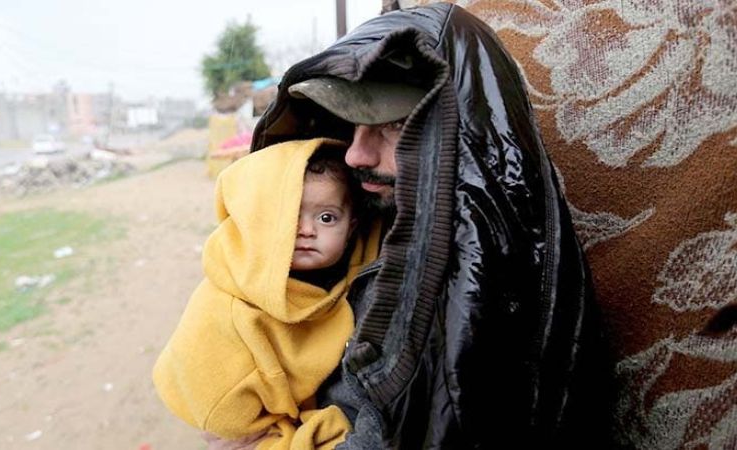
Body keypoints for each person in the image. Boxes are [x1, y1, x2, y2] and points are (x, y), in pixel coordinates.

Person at [248, 3, 614, 449]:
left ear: (456, 134)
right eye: (355, 125)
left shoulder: (473, 291)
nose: (354, 155)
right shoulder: (379, 217)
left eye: (395, 125)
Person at [152, 138, 381, 449]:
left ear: (352, 227)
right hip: (225, 403)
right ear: (260, 221)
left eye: (326, 217)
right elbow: (220, 408)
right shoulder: (237, 300)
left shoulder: (364, 269)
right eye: (289, 216)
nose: (306, 230)